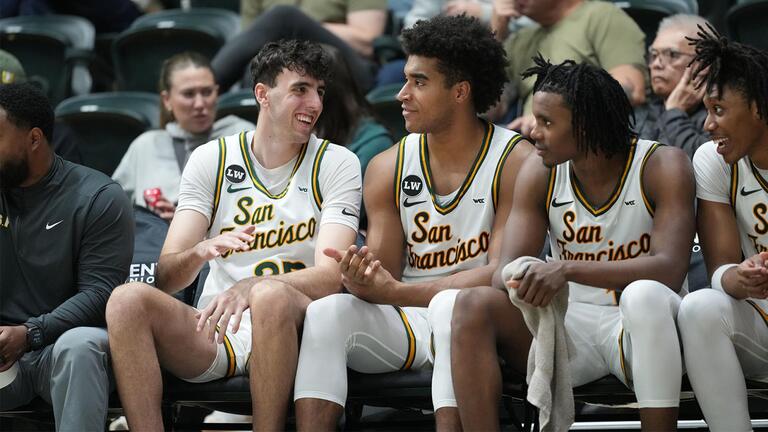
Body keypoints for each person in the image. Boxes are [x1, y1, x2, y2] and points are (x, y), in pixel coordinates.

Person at [105, 39, 362, 431]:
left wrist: (255, 285)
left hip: (299, 326)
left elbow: (331, 277)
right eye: (300, 90)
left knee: (269, 296)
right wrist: (197, 254)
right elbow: (167, 277)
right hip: (219, 329)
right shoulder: (212, 159)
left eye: (319, 92)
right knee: (125, 300)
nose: (314, 104)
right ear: (263, 94)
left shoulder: (337, 163)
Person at [293, 15, 533, 430]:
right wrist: (360, 274)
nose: (402, 94)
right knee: (326, 313)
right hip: (407, 313)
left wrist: (398, 290)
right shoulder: (388, 165)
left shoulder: (516, 160)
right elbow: (382, 274)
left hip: (482, 322)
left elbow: (499, 275)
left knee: (450, 306)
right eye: (405, 79)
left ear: (460, 91)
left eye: (419, 82)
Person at [450, 56, 696, 431]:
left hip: (640, 329)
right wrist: (524, 277)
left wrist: (566, 268)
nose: (534, 132)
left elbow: (669, 269)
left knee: (643, 295)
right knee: (471, 304)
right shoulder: (540, 170)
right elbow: (504, 273)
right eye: (536, 119)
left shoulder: (661, 165)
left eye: (547, 122)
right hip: (567, 328)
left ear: (586, 125)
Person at [0, 82, 134, 431]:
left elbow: (100, 293)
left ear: (33, 139)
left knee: (80, 346)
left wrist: (30, 334)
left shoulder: (98, 196)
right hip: (2, 353)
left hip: (62, 348)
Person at [677, 26, 768, 431]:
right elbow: (719, 273)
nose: (707, 125)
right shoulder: (712, 161)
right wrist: (742, 279)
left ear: (758, 108)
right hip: (761, 319)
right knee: (699, 309)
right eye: (706, 110)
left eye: (719, 110)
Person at [112, 51, 254, 220]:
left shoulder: (242, 136)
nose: (200, 104)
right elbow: (114, 212)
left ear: (217, 92)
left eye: (207, 92)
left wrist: (187, 223)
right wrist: (150, 216)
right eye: (188, 94)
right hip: (155, 242)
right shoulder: (145, 146)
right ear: (167, 100)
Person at [494, 0, 647, 135]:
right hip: (533, 144)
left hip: (585, 143)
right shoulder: (522, 38)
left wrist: (551, 115)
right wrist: (496, 36)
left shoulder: (602, 16)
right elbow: (490, 109)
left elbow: (632, 89)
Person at [213, 2, 387, 93]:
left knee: (284, 16)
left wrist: (302, 27)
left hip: (347, 68)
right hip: (283, 60)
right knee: (254, 70)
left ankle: (204, 84)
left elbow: (367, 41)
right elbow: (251, 39)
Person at [634, 14, 710, 159]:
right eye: (654, 55)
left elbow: (705, 165)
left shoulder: (719, 115)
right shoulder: (640, 111)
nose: (656, 64)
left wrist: (674, 113)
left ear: (704, 63)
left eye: (672, 54)